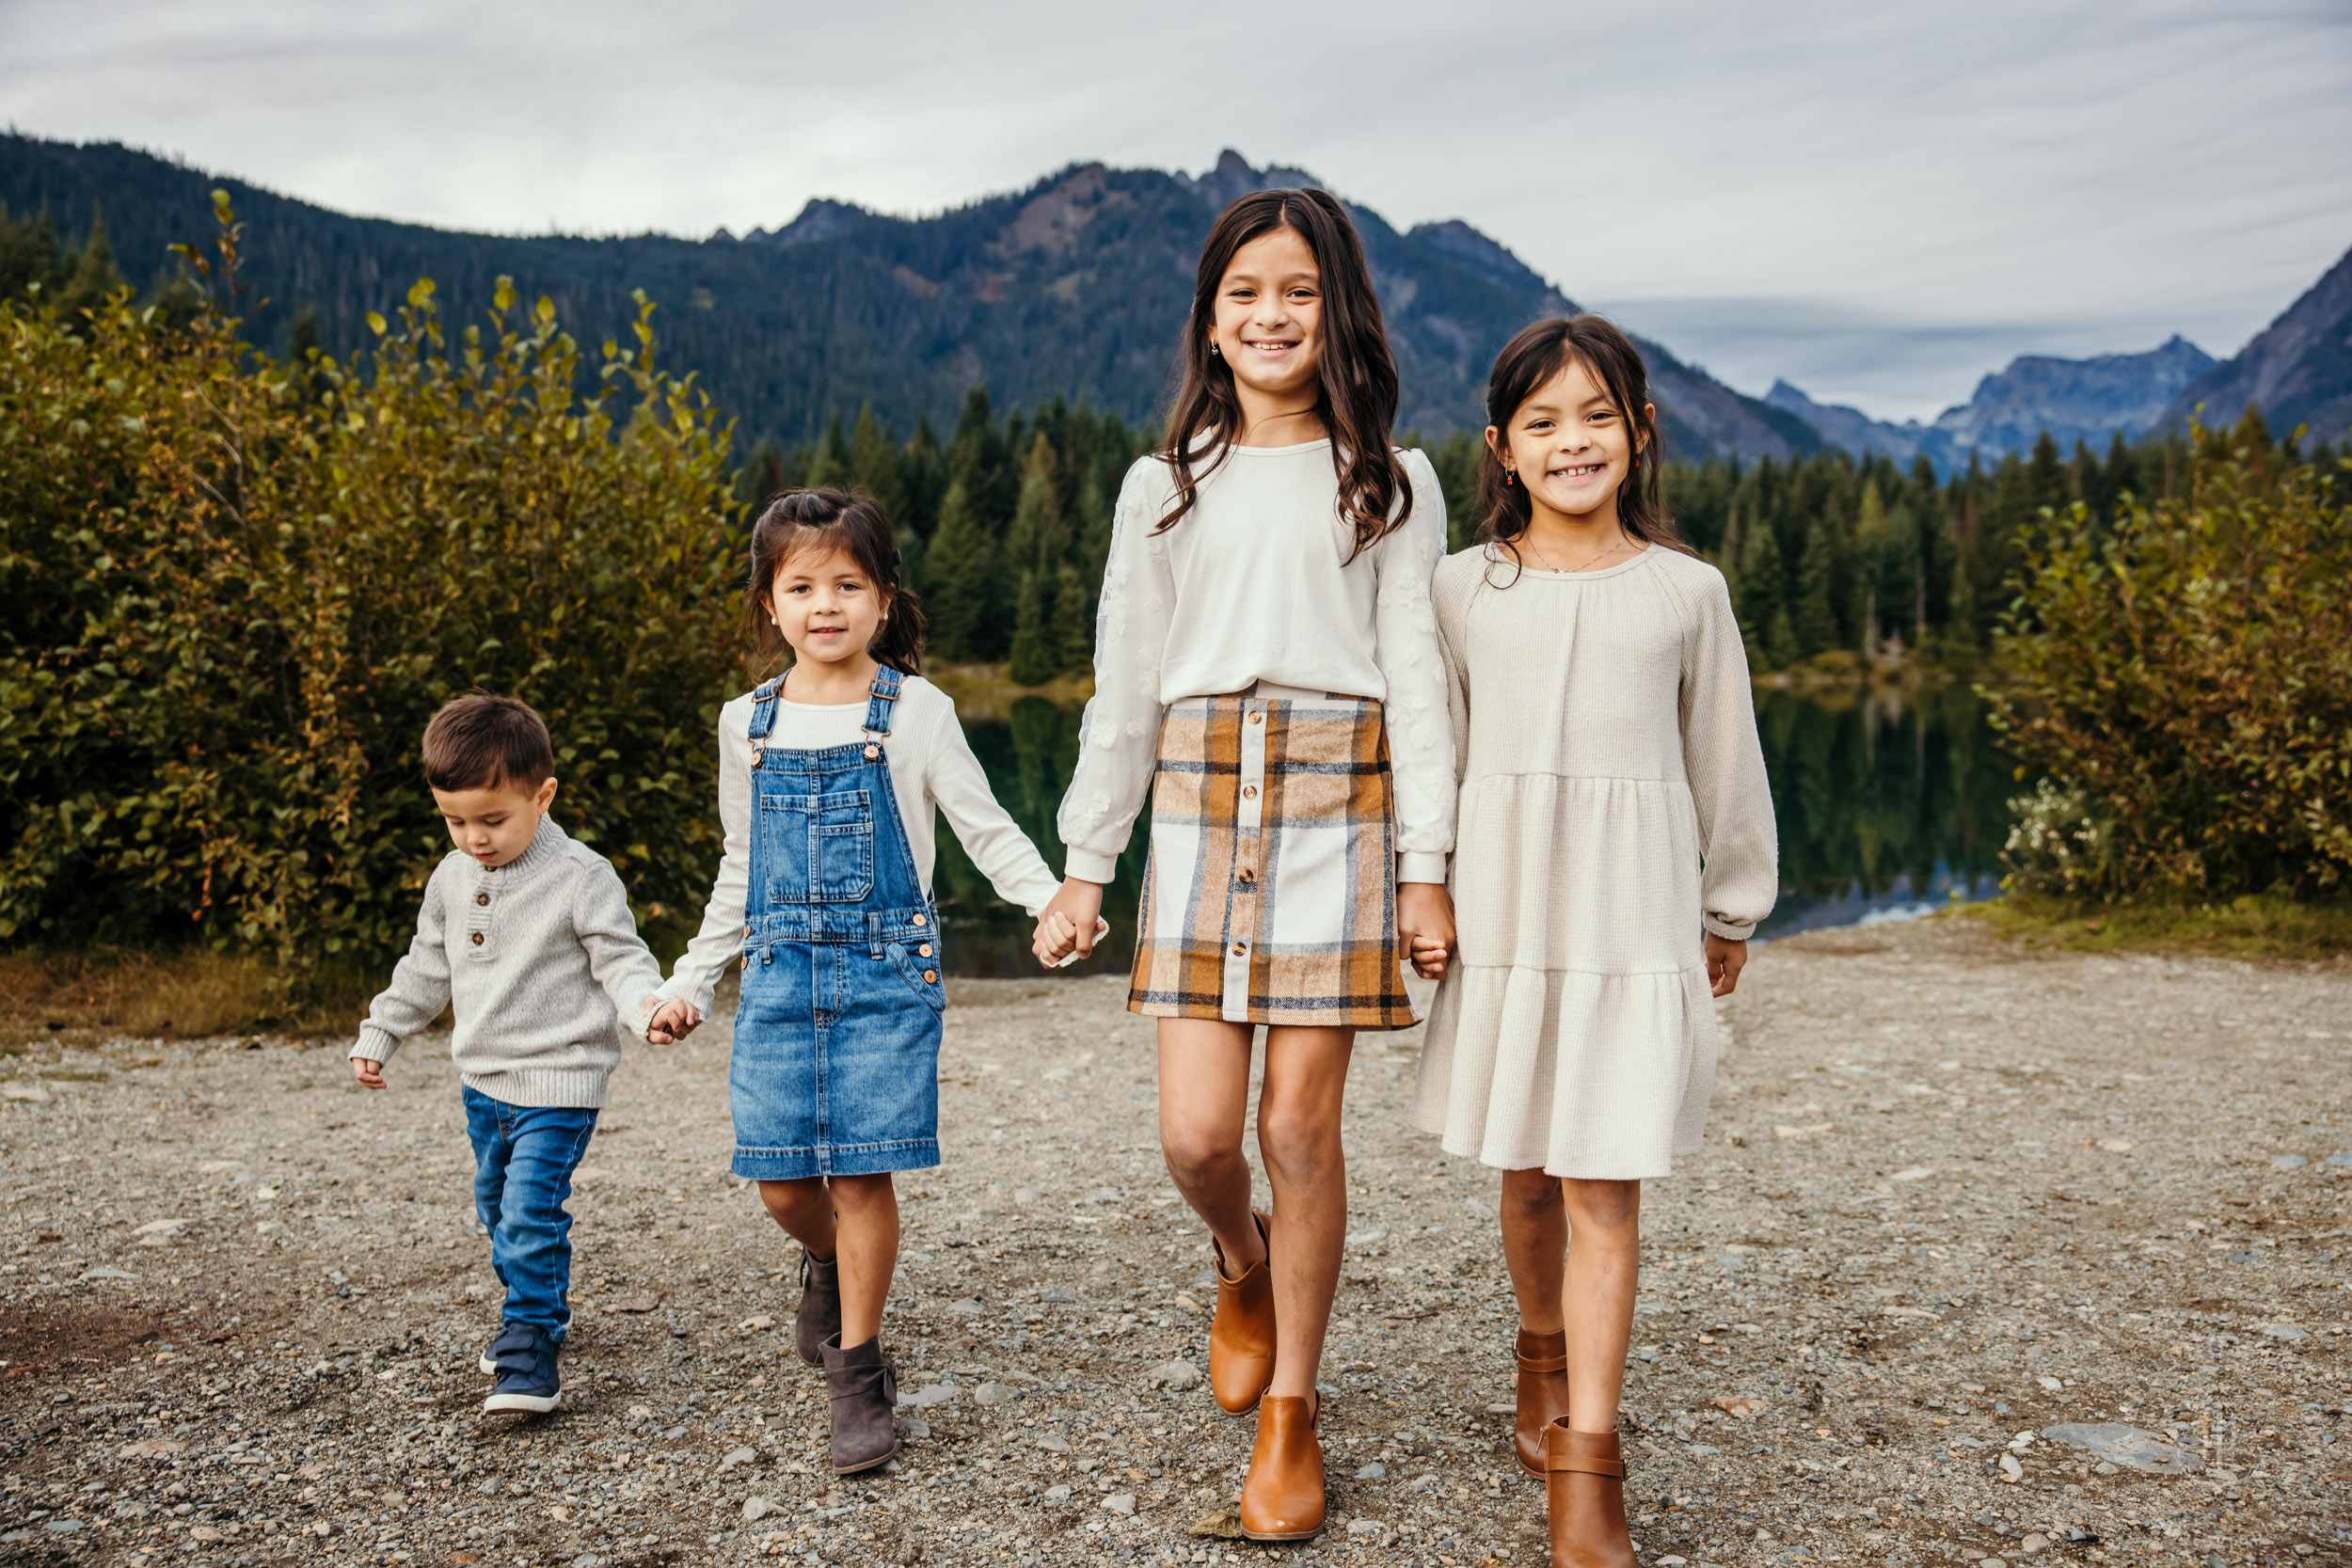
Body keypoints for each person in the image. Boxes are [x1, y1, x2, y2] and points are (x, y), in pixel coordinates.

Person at [1033, 187, 1455, 1543]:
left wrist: (1426, 863)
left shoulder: (1389, 475)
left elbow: (1421, 687)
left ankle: (1295, 1407)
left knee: (1296, 1126)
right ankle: (1241, 1257)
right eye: (1244, 294)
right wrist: (1088, 856)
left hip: (1345, 793)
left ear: (1339, 312)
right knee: (1201, 1134)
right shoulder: (1166, 481)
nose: (1271, 316)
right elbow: (1127, 683)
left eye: (1298, 292)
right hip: (1203, 794)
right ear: (1209, 321)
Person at [1408, 316, 1777, 1566]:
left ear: (1641, 431)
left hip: (1631, 917)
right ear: (1504, 446)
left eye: (1598, 415)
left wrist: (1730, 906)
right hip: (1505, 913)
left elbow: (1726, 757)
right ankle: (1540, 1348)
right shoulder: (1461, 584)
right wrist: (1426, 884)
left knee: (1604, 1181)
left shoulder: (1688, 590)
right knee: (1524, 1175)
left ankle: (1588, 1465)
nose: (1575, 441)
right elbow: (1436, 756)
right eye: (1545, 421)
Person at [649, 489, 1061, 1476]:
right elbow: (740, 868)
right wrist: (692, 980)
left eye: (847, 583)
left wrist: (1046, 900)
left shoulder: (915, 709)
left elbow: (984, 823)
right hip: (780, 974)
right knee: (784, 1178)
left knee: (861, 1167)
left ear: (883, 599)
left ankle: (860, 1367)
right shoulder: (743, 723)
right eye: (801, 586)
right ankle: (825, 1263)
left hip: (885, 972)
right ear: (768, 603)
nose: (823, 603)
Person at [349, 693, 670, 1415]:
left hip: (561, 1080)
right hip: (483, 1083)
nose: (474, 839)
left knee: (530, 1208)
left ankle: (530, 1341)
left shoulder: (581, 875)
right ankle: (535, 1296)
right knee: (496, 1206)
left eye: (493, 820)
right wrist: (382, 1031)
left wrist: (649, 1008)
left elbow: (622, 959)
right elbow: (425, 968)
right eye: (455, 821)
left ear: (543, 794)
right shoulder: (451, 877)